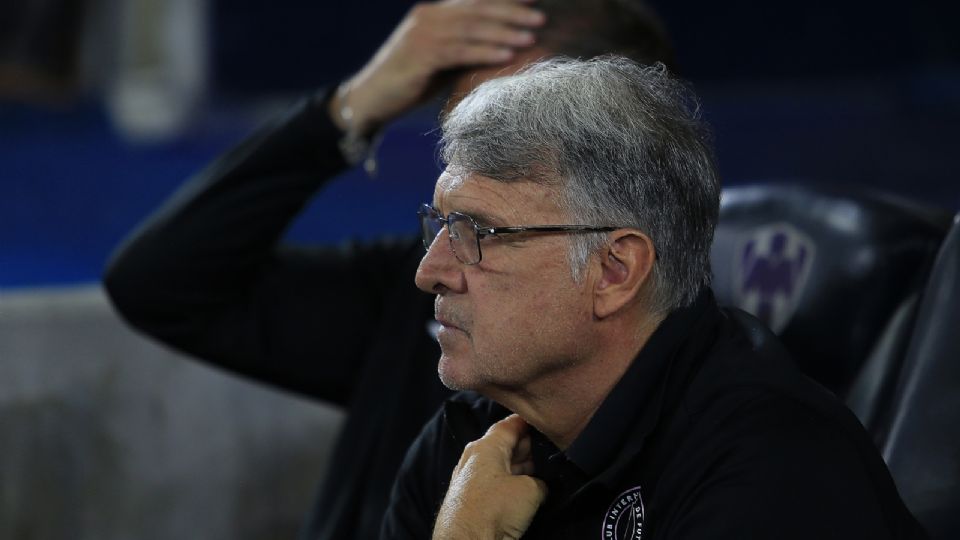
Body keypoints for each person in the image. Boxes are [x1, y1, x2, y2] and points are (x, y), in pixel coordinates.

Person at [102, 1, 674, 539]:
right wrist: (350, 108)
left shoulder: (697, 412)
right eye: (458, 131)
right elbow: (159, 284)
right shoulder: (414, 290)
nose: (437, 270)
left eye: (505, 135)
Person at [381, 56, 927, 539]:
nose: (431, 272)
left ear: (615, 271)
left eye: (479, 233)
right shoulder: (470, 442)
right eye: (440, 228)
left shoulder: (774, 466)